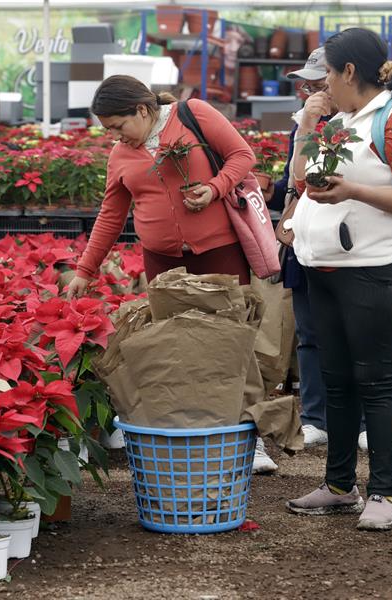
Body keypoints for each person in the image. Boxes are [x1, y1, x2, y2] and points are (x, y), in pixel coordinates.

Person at [64, 75, 278, 474]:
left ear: (142, 111)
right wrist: (85, 269)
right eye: (107, 129)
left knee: (233, 343)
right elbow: (111, 215)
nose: (115, 136)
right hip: (164, 262)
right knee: (176, 348)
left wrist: (214, 188)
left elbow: (242, 155)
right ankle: (193, 433)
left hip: (220, 253)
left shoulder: (193, 114)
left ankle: (251, 438)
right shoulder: (120, 155)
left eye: (117, 126)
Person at [285, 28, 392, 531]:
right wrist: (309, 123)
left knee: (373, 381)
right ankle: (338, 485)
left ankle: (384, 494)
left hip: (375, 269)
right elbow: (304, 175)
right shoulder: (341, 119)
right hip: (325, 267)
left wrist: (352, 190)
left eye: (327, 72)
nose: (321, 83)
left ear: (349, 72)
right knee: (337, 381)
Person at [271, 48, 369, 452]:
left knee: (355, 335)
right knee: (310, 334)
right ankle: (315, 417)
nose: (311, 88)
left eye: (318, 80)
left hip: (352, 241)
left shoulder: (364, 123)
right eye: (307, 82)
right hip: (308, 239)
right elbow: (297, 178)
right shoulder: (306, 123)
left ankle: (360, 420)